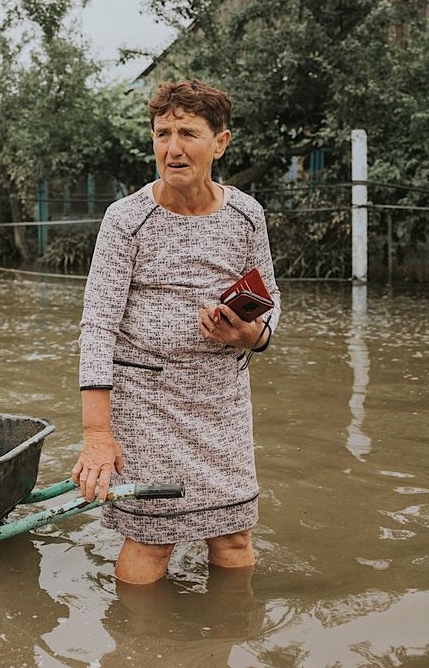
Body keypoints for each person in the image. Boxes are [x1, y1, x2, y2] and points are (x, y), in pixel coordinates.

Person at [71, 78, 280, 584]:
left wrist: (247, 336)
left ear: (221, 143)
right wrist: (97, 434)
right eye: (162, 133)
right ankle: (141, 652)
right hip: (146, 399)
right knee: (152, 539)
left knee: (234, 535)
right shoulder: (127, 219)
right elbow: (97, 326)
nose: (173, 147)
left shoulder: (246, 215)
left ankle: (228, 642)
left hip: (222, 400)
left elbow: (270, 310)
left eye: (188, 133)